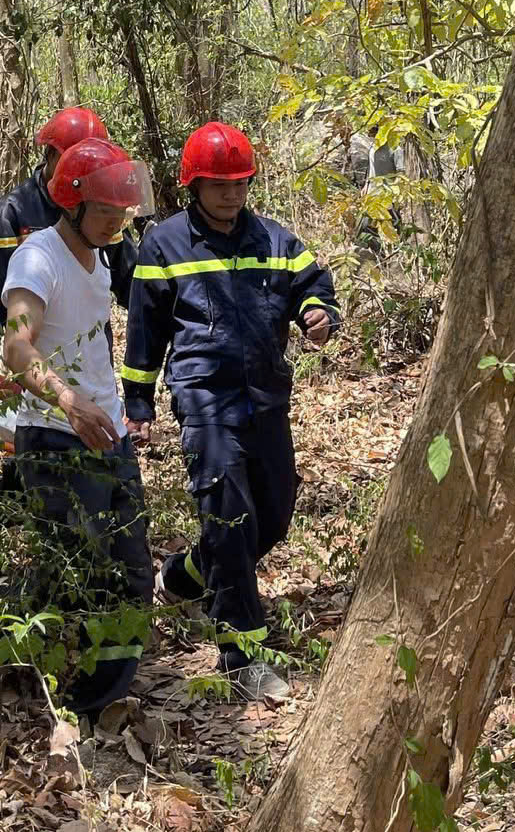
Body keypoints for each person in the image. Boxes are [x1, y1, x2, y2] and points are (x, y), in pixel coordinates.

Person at [120, 121, 340, 702]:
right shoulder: (163, 245)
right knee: (231, 517)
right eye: (218, 183)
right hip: (203, 399)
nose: (230, 193)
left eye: (240, 182)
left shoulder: (275, 240)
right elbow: (144, 331)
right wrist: (137, 401)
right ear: (193, 184)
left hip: (267, 397)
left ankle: (184, 576)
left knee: (274, 515)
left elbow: (314, 285)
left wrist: (318, 313)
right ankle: (243, 652)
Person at [0, 136, 157, 716]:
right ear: (71, 203)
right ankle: (13, 635)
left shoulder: (103, 258)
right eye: (105, 212)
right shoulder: (37, 258)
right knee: (80, 567)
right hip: (55, 435)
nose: (116, 223)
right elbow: (16, 348)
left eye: (123, 213)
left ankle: (104, 694)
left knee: (132, 563)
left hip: (107, 429)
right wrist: (67, 400)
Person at [0, 106, 136, 366]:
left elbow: (130, 283)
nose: (81, 170)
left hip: (93, 363)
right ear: (49, 154)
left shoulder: (104, 206)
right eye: (72, 158)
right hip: (39, 368)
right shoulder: (17, 208)